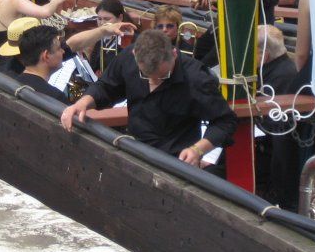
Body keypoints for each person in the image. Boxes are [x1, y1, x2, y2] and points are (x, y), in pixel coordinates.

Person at [61, 29, 237, 170]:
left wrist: (198, 150)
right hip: (134, 150)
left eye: (162, 76)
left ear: (174, 54)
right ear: (135, 55)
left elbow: (225, 121)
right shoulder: (128, 57)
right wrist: (82, 103)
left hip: (176, 162)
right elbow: (107, 87)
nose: (154, 82)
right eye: (146, 76)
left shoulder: (197, 79)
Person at [256, 24, 299, 208]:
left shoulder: (279, 78)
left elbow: (270, 126)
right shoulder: (279, 68)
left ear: (264, 56)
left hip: (274, 159)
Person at [66, 0, 136, 74]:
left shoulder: (131, 40)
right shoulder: (100, 38)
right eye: (99, 19)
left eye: (107, 19)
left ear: (120, 18)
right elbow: (93, 66)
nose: (102, 23)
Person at [15, 25, 69, 104]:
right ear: (46, 56)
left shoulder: (11, 82)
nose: (63, 51)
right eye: (59, 48)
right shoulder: (56, 97)